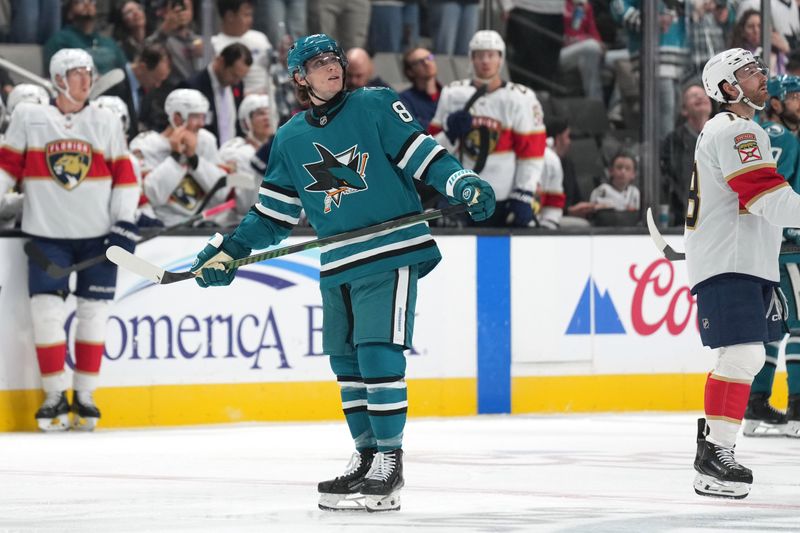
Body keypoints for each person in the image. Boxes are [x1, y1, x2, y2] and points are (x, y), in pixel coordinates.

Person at [188, 33, 495, 512]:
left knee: (377, 354)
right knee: (346, 363)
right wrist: (230, 249)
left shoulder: (374, 105)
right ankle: (367, 456)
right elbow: (273, 215)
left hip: (390, 250)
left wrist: (461, 180)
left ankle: (389, 465)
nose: (333, 67)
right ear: (298, 77)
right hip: (338, 261)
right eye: (319, 62)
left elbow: (423, 154)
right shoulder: (289, 138)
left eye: (335, 59)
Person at [0, 49, 138, 431]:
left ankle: (86, 396)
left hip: (97, 238)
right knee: (46, 315)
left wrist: (125, 222)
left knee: (94, 314)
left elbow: (125, 176)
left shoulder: (106, 120)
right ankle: (53, 395)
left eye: (89, 73)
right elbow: (6, 167)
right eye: (78, 74)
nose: (86, 80)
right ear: (59, 78)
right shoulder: (30, 117)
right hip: (47, 236)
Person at [687, 47, 800, 499]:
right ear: (727, 88)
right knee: (741, 356)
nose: (762, 76)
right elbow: (765, 197)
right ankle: (715, 453)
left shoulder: (737, 129)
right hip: (730, 261)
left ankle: (714, 449)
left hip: (745, 259)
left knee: (747, 357)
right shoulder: (735, 129)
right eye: (750, 72)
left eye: (759, 67)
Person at [429, 30, 545, 227]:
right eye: (480, 55)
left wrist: (524, 192)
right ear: (471, 59)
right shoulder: (452, 94)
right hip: (459, 195)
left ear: (501, 59)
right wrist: (449, 135)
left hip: (504, 195)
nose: (485, 61)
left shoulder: (521, 98)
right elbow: (430, 151)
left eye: (491, 55)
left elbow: (531, 153)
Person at [741, 74, 800, 438]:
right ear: (775, 102)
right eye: (793, 96)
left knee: (776, 325)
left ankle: (756, 401)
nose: (799, 102)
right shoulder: (783, 137)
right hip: (791, 241)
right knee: (798, 325)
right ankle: (797, 407)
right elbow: (782, 186)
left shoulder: (759, 133)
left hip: (766, 242)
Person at [129, 88, 229, 226]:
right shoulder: (145, 145)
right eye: (195, 117)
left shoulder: (206, 141)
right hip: (162, 230)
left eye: (203, 117)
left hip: (203, 227)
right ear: (177, 118)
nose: (202, 123)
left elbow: (222, 194)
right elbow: (151, 196)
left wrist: (194, 159)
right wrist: (176, 158)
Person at [660, 83, 713, 226]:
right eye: (693, 96)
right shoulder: (673, 141)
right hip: (684, 221)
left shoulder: (722, 135)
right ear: (684, 109)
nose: (700, 97)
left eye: (703, 95)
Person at [181, 43, 252, 146]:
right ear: (221, 61)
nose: (236, 82)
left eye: (240, 78)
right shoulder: (192, 87)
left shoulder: (237, 85)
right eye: (234, 75)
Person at [219, 93, 274, 218]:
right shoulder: (234, 151)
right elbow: (242, 203)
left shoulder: (282, 148)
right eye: (260, 113)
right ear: (246, 121)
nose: (267, 117)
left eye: (269, 112)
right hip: (239, 223)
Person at [43, 0, 128, 75]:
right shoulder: (59, 40)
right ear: (70, 14)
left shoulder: (109, 42)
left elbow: (126, 71)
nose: (87, 4)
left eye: (91, 1)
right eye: (80, 1)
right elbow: (54, 75)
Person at [211, 0, 272, 95]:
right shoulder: (214, 45)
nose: (251, 20)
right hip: (238, 101)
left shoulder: (260, 38)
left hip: (268, 98)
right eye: (246, 15)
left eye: (251, 15)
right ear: (230, 16)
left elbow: (274, 68)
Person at [398, 47, 442, 130]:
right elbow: (413, 128)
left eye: (429, 58)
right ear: (410, 72)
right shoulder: (404, 100)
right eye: (420, 62)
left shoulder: (448, 94)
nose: (427, 63)